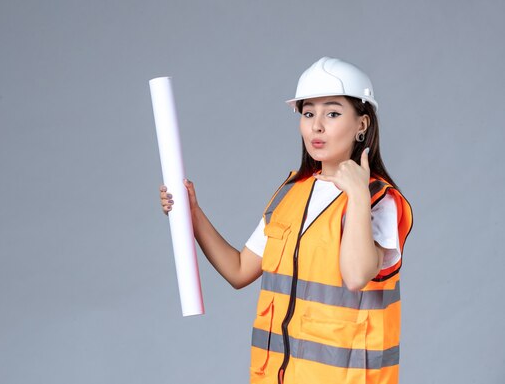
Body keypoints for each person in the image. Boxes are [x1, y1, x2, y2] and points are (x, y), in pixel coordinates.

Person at [158, 56, 413, 384]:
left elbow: (355, 276)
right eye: (308, 113)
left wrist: (358, 195)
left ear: (362, 124)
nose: (316, 126)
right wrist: (192, 213)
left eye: (332, 113)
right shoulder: (290, 195)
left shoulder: (380, 200)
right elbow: (238, 270)